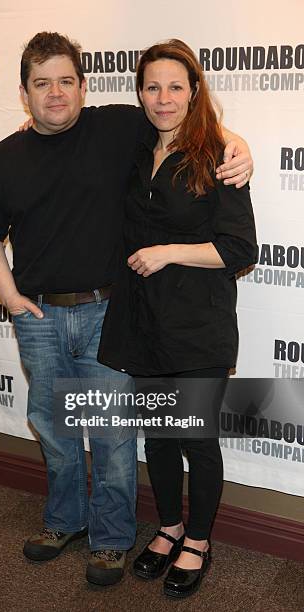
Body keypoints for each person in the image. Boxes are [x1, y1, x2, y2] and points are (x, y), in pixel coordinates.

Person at [0, 32, 253, 587]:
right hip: (41, 319)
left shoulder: (117, 126)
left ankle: (116, 538)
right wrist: (11, 298)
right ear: (25, 93)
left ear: (83, 86)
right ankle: (65, 522)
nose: (54, 94)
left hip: (109, 314)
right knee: (56, 426)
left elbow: (189, 119)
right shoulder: (6, 157)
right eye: (41, 84)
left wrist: (236, 141)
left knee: (114, 432)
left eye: (65, 81)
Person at [98, 39, 258, 598]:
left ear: (194, 91)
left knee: (195, 438)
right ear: (140, 92)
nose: (163, 98)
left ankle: (198, 540)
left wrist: (169, 250)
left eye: (174, 86)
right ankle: (167, 528)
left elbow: (239, 250)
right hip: (142, 323)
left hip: (198, 325)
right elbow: (69, 123)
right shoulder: (137, 146)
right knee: (160, 439)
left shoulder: (220, 155)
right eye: (151, 86)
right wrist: (29, 132)